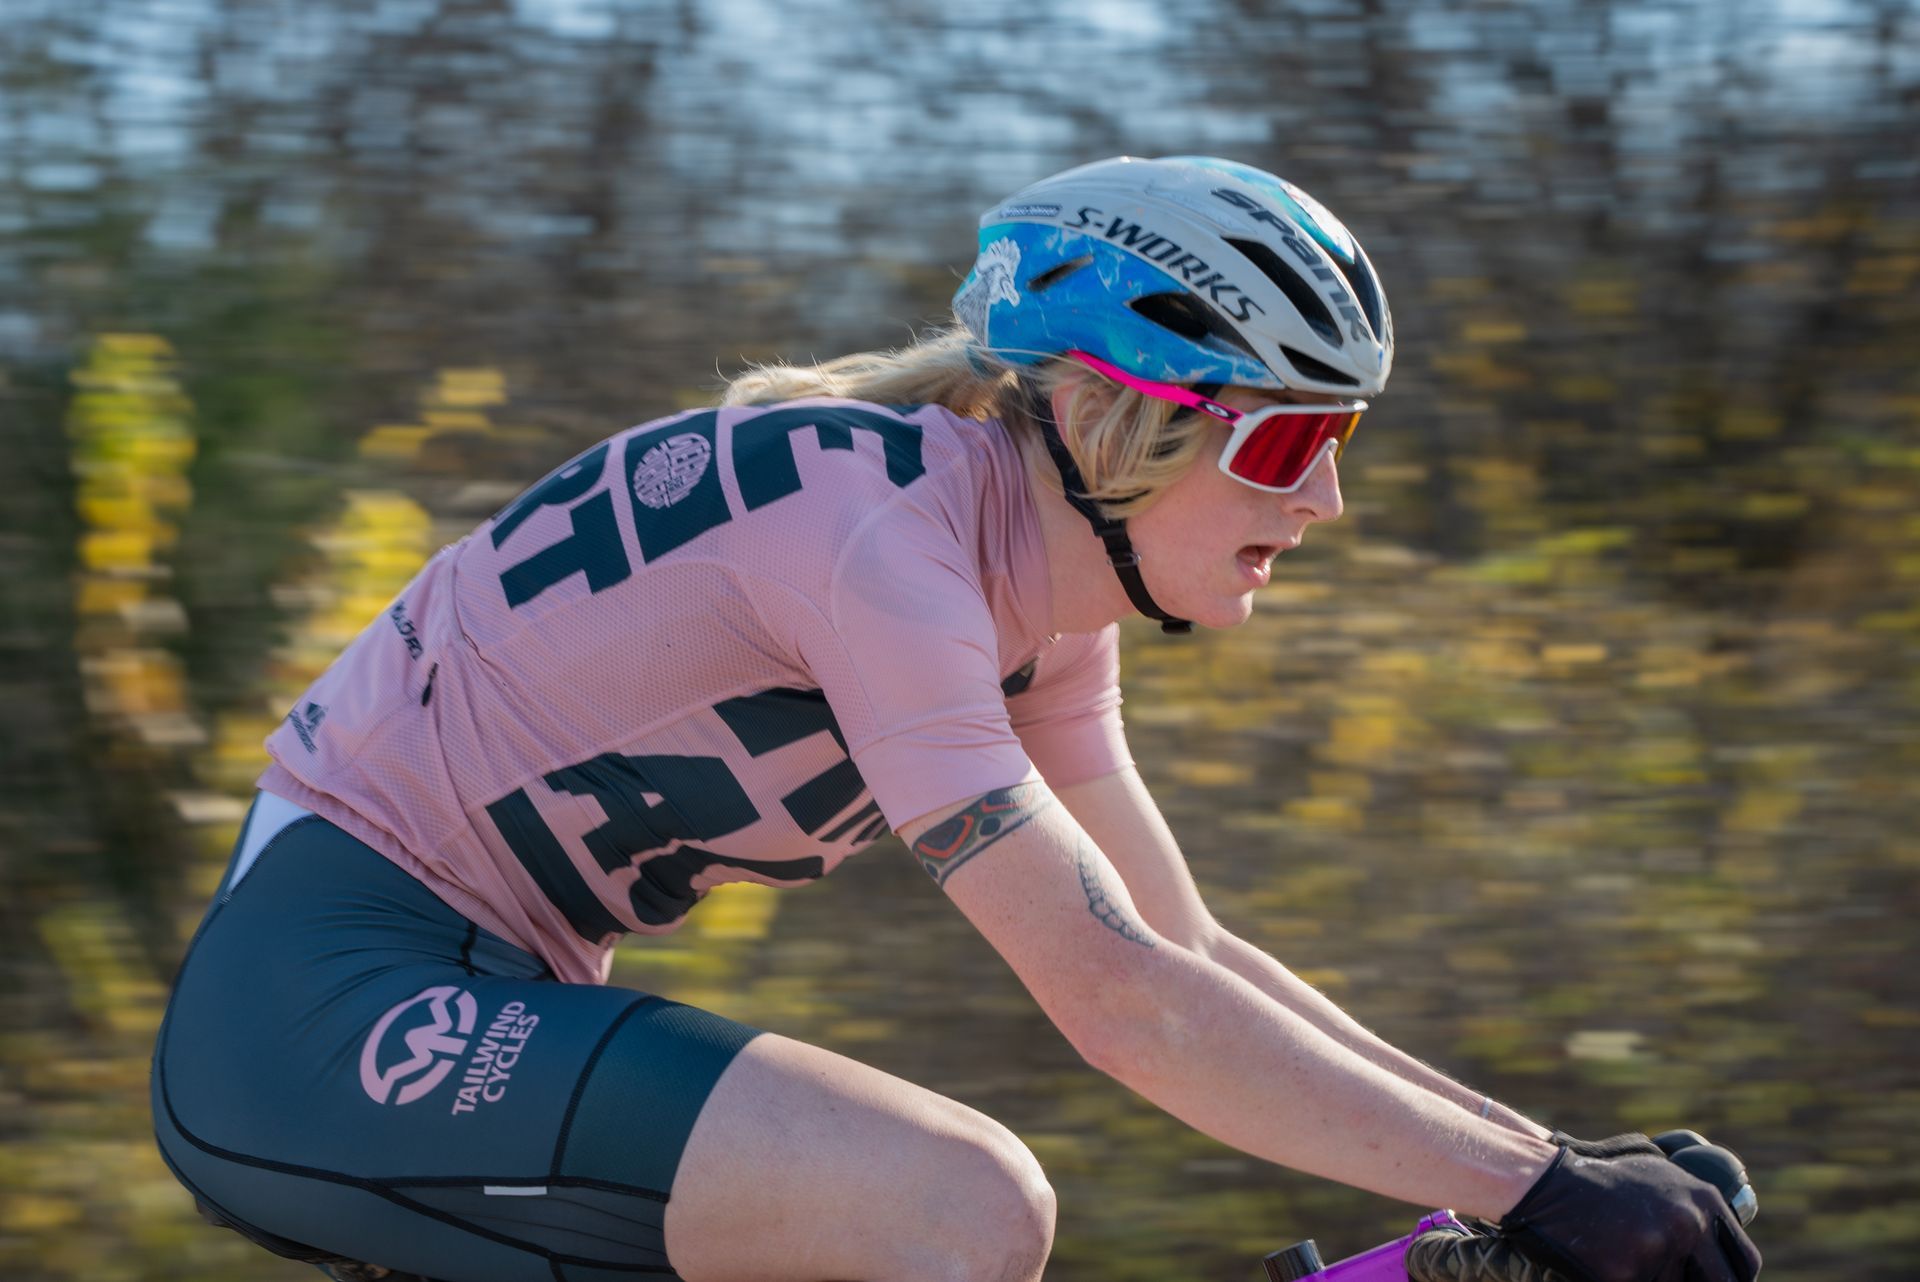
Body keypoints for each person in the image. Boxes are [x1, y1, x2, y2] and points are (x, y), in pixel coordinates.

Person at [150, 156, 1760, 1282]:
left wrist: (1547, 1164)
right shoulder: (883, 541)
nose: (1328, 500)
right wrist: (1538, 1190)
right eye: (1286, 447)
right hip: (320, 1000)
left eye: (1342, 441)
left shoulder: (1037, 599)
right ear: (1121, 422)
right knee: (955, 1206)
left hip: (467, 997)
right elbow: (1119, 1004)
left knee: (915, 1220)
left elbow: (1181, 951)